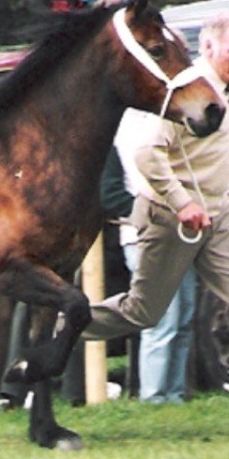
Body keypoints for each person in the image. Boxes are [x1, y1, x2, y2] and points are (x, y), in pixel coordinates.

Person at [83, 13, 229, 356]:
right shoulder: (185, 92)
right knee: (145, 312)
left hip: (217, 216)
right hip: (170, 217)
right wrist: (183, 203)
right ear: (208, 47)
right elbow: (147, 154)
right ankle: (67, 324)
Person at [101, 108, 197, 404]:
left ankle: (174, 392)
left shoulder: (171, 125)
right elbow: (110, 193)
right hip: (143, 237)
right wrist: (150, 217)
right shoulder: (118, 133)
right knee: (162, 319)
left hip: (181, 236)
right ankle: (153, 396)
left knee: (184, 317)